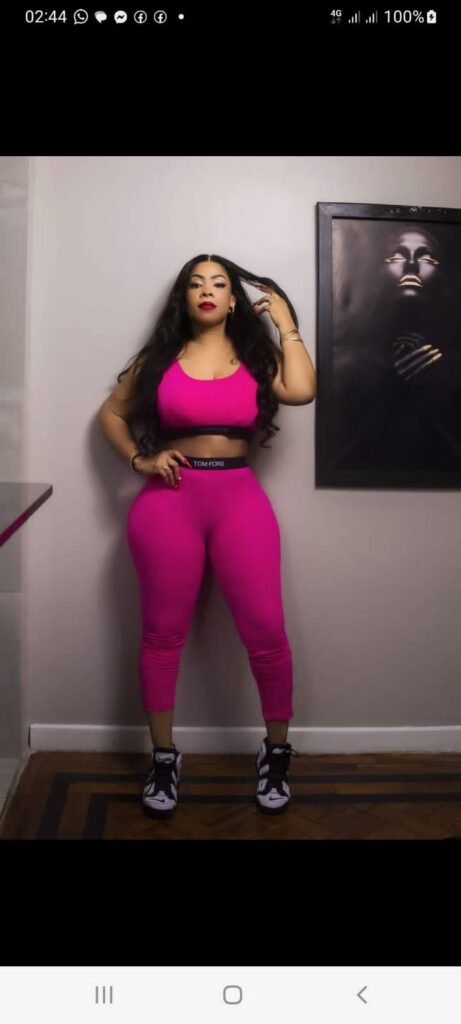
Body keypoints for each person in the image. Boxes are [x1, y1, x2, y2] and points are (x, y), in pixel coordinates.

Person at [98, 253, 316, 819]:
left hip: (239, 501)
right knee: (161, 635)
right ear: (184, 298)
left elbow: (301, 390)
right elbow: (111, 416)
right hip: (168, 504)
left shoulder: (258, 358)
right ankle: (164, 758)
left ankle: (276, 754)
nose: (207, 290)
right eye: (196, 283)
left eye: (219, 283)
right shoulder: (159, 359)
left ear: (234, 299)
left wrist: (286, 322)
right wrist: (140, 460)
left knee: (267, 631)